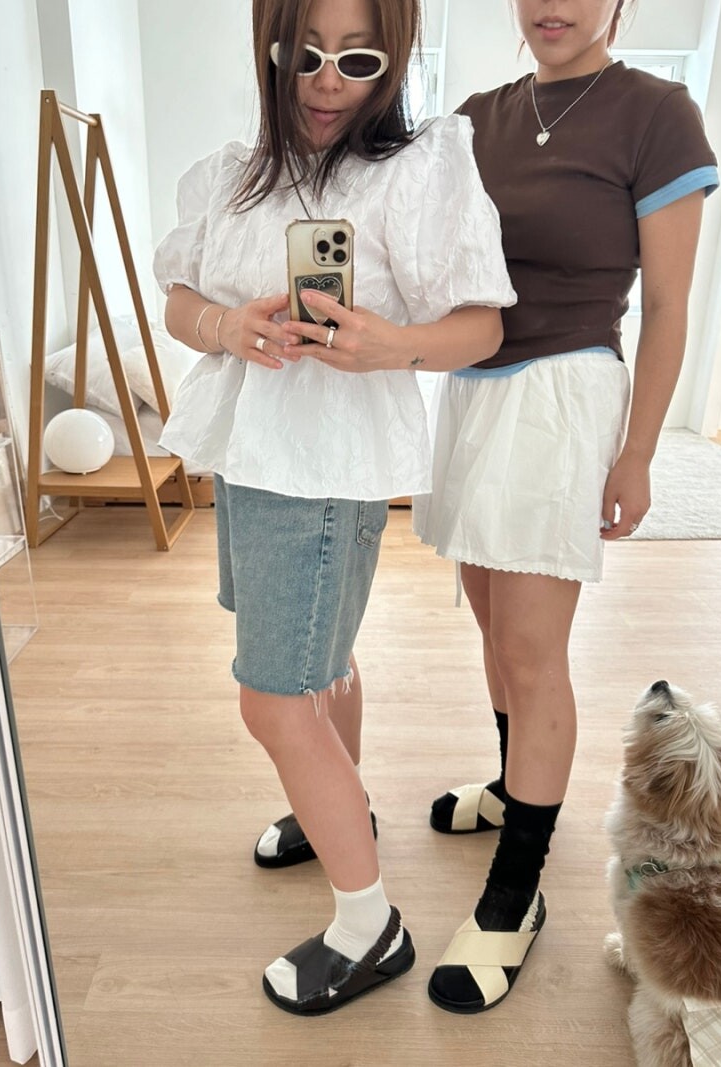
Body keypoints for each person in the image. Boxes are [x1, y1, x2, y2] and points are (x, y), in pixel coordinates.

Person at [275, 0, 719, 1016]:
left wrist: (638, 451)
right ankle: (514, 780)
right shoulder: (478, 115)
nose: (552, 5)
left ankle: (516, 893)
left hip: (563, 390)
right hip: (471, 388)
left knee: (531, 646)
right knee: (489, 622)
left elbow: (667, 305)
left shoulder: (657, 112)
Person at [153, 0, 515, 1015]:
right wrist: (229, 325)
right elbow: (178, 298)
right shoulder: (234, 173)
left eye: (356, 61)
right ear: (270, 49)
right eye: (302, 54)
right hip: (251, 455)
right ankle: (338, 809)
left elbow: (483, 324)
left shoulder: (417, 169)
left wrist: (390, 346)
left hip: (324, 464)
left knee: (273, 696)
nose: (323, 81)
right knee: (324, 662)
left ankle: (369, 926)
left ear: (392, 59)